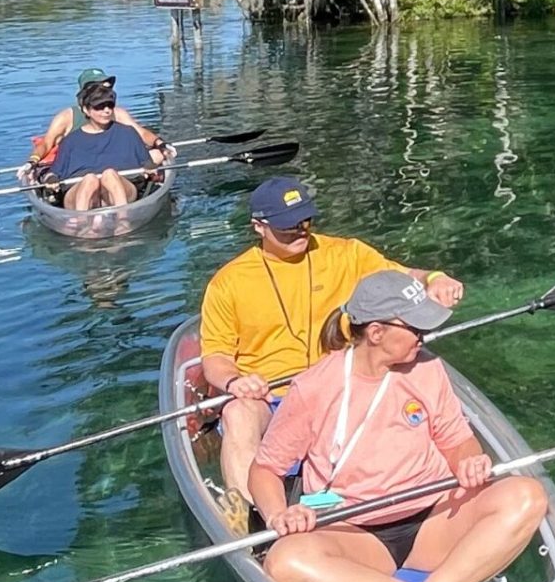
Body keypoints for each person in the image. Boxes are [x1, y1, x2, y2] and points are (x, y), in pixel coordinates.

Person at [251, 271, 546, 582]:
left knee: (527, 495)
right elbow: (265, 469)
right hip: (355, 533)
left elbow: (457, 439)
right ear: (376, 333)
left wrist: (468, 460)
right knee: (284, 562)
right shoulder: (314, 389)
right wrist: (280, 514)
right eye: (415, 328)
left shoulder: (427, 367)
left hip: (433, 519)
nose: (424, 337)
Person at [198, 176, 465, 520]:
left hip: (336, 386)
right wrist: (236, 382)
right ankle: (257, 519)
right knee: (238, 411)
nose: (300, 230)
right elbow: (216, 358)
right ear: (258, 227)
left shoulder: (347, 253)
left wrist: (433, 278)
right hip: (270, 394)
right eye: (287, 226)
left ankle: (413, 504)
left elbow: (400, 279)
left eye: (305, 221)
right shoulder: (228, 283)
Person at [31, 72, 170, 210]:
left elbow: (144, 149)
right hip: (81, 185)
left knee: (110, 174)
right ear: (86, 108)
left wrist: (160, 145)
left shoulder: (126, 128)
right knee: (89, 179)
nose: (106, 110)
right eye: (99, 105)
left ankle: (123, 220)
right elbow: (51, 159)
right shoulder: (69, 135)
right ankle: (82, 223)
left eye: (109, 104)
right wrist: (35, 163)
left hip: (119, 181)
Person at [32, 68, 164, 161]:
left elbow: (141, 133)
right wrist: (33, 160)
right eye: (100, 88)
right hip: (81, 166)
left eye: (108, 88)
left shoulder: (117, 113)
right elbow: (47, 143)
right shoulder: (67, 117)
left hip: (116, 161)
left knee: (157, 155)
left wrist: (160, 143)